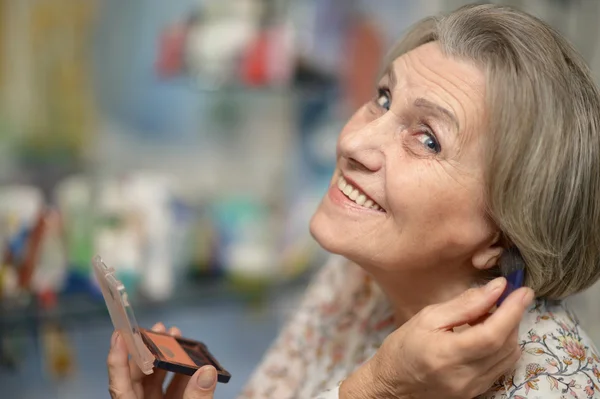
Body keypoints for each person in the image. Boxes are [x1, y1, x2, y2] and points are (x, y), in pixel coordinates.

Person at [106, 4, 600, 398]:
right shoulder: (358, 277)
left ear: (501, 235)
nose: (352, 143)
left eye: (427, 139)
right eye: (383, 100)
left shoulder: (550, 385)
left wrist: (380, 388)